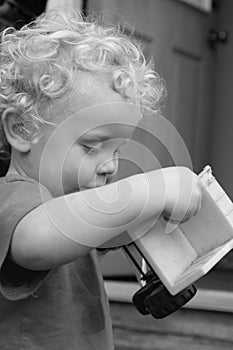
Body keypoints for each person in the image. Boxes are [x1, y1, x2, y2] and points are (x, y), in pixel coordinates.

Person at [0, 10, 202, 350]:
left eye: (118, 149)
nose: (110, 166)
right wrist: (152, 190)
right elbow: (38, 241)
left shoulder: (74, 206)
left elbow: (98, 226)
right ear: (22, 129)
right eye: (93, 146)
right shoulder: (14, 200)